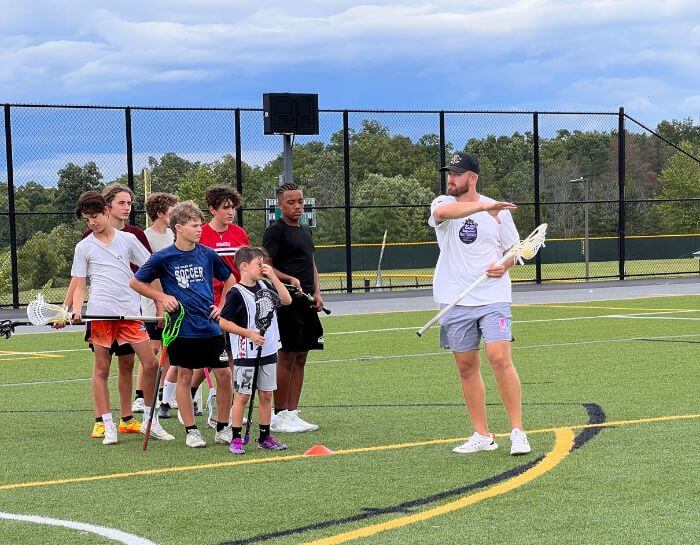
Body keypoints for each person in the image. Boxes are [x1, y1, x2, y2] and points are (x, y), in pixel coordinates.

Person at [429, 151, 531, 455]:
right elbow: (447, 215)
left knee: (500, 358)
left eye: (457, 174)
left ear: (472, 178)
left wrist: (506, 264)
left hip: (493, 297)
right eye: (449, 174)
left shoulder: (500, 212)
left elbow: (516, 249)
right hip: (455, 299)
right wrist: (485, 206)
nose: (451, 179)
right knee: (465, 367)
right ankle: (482, 434)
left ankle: (517, 431)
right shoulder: (441, 204)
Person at [67, 191, 173, 445]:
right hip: (101, 313)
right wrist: (75, 308)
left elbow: (151, 268)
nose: (92, 222)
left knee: (149, 363)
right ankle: (107, 423)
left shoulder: (127, 240)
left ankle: (149, 419)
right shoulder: (84, 247)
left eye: (94, 216)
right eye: (86, 219)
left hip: (130, 311)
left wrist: (160, 302)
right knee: (101, 368)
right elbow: (80, 283)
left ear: (105, 211)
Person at [130, 201, 236, 448]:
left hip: (210, 327)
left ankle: (222, 427)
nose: (200, 229)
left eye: (200, 224)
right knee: (184, 375)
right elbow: (136, 283)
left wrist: (222, 307)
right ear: (178, 227)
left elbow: (230, 279)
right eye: (194, 225)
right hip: (181, 328)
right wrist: (162, 297)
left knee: (224, 374)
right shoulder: (163, 257)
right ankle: (191, 430)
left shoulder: (207, 253)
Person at [262, 182, 324, 433]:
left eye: (300, 202)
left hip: (307, 302)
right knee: (286, 356)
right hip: (286, 302)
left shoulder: (305, 229)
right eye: (291, 202)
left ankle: (293, 413)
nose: (297, 206)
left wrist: (318, 292)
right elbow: (265, 266)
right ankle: (279, 415)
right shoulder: (275, 231)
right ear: (280, 205)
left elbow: (311, 263)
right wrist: (288, 279)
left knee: (302, 356)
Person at [219, 247, 292, 454]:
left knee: (266, 394)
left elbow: (286, 300)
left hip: (268, 349)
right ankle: (235, 438)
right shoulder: (236, 293)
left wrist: (273, 278)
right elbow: (223, 322)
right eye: (258, 264)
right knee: (243, 395)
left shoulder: (265, 285)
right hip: (246, 353)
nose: (263, 267)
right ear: (244, 266)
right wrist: (248, 333)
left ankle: (265, 435)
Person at [188, 185, 249, 420]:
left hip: (236, 299)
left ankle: (232, 406)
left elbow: (243, 266)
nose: (230, 212)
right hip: (208, 302)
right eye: (225, 208)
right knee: (212, 356)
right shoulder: (201, 233)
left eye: (232, 207)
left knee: (233, 355)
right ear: (212, 210)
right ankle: (190, 391)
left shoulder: (239, 233)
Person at [142, 192, 179, 420]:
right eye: (171, 209)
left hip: (173, 300)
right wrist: (158, 301)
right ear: (160, 212)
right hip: (153, 301)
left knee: (171, 349)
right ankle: (141, 395)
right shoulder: (146, 237)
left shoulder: (174, 235)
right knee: (152, 349)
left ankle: (167, 392)